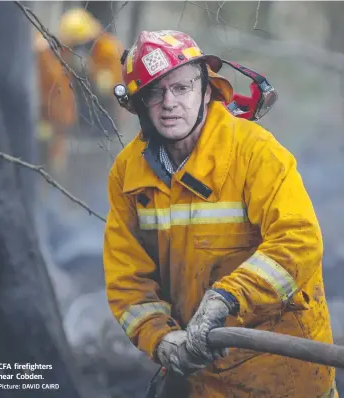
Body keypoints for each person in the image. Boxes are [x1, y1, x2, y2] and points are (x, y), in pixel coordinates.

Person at [103, 30, 337, 398]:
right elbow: (127, 279)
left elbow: (300, 240)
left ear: (206, 90)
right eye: (155, 92)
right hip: (202, 380)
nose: (169, 103)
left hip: (285, 374)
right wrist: (161, 338)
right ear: (139, 104)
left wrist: (225, 298)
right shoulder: (128, 175)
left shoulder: (254, 152)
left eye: (181, 88)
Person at [35, 8, 123, 173]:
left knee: (93, 167)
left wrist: (91, 71)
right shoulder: (64, 51)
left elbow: (111, 86)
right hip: (75, 116)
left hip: (102, 115)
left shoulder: (108, 49)